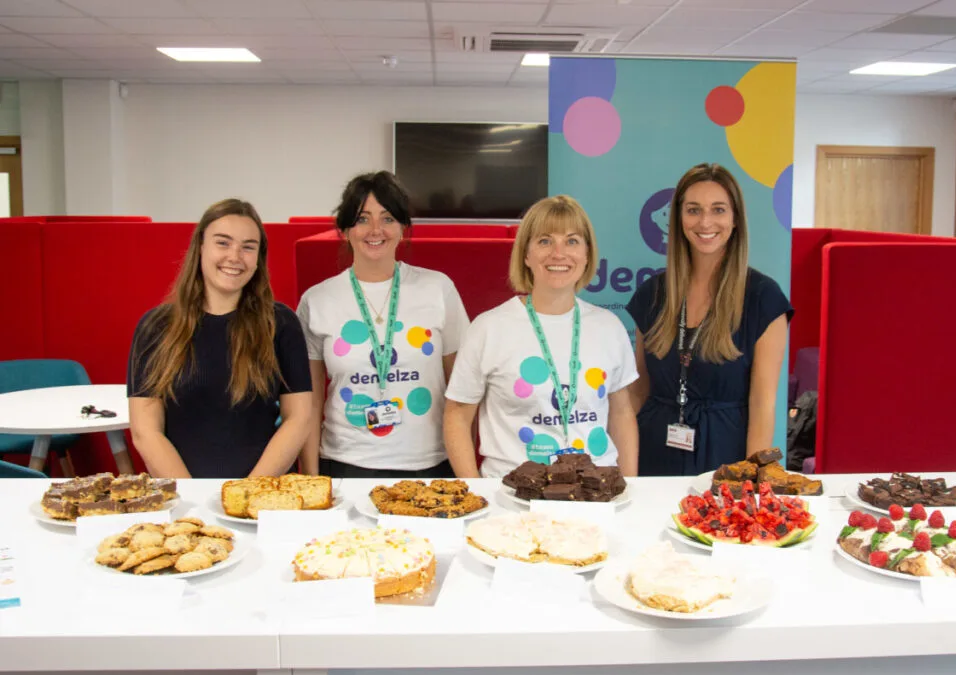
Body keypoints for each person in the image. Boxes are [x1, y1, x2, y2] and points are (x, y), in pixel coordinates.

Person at [444, 195, 639, 478]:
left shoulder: (609, 327)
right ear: (526, 254)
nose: (558, 253)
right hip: (511, 498)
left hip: (596, 497)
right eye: (545, 241)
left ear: (587, 254)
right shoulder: (488, 328)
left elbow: (622, 414)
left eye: (572, 241)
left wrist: (629, 486)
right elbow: (457, 416)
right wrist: (475, 490)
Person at [297, 171, 470, 478]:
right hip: (344, 465)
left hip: (428, 465)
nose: (375, 230)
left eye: (388, 218)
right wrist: (312, 479)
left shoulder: (437, 289)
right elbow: (309, 403)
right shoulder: (318, 300)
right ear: (345, 229)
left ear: (403, 227)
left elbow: (463, 393)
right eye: (362, 218)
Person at [626, 163, 793, 476]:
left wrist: (752, 481)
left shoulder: (763, 298)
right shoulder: (651, 295)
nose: (705, 222)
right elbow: (638, 389)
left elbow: (762, 403)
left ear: (735, 218)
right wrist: (615, 460)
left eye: (718, 209)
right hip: (654, 454)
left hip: (726, 460)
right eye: (693, 210)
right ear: (678, 218)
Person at [128, 199, 314, 478]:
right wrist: (193, 499)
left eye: (248, 247)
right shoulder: (156, 327)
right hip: (185, 501)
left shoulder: (281, 323)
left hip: (264, 494)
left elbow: (298, 418)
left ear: (258, 258)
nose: (235, 256)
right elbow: (146, 431)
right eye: (223, 243)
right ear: (200, 247)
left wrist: (247, 493)